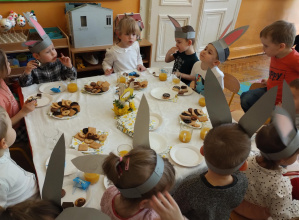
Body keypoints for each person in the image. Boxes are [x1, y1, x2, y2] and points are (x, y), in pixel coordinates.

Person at [173, 123, 251, 220]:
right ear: (244, 166)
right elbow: (235, 203)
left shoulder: (190, 186)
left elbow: (176, 209)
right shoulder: (243, 181)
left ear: (202, 151)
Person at [234, 121, 299, 219]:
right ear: (283, 160)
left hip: (237, 204)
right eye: (297, 154)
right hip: (258, 215)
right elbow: (280, 216)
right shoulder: (281, 187)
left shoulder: (244, 160)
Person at [100, 148, 175, 220]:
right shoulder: (151, 217)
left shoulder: (109, 192)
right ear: (143, 203)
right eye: (163, 196)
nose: (163, 199)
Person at [241, 20, 299, 112]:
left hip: (283, 101)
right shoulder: (275, 54)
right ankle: (256, 121)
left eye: (266, 46)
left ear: (281, 47)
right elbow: (279, 74)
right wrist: (269, 80)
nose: (263, 49)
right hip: (270, 92)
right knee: (246, 98)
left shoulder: (295, 59)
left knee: (275, 117)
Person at [19, 12, 76, 87]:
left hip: (60, 94)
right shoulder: (33, 67)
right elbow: (24, 85)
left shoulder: (60, 63)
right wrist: (27, 71)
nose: (53, 53)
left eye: (53, 48)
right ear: (36, 56)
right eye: (48, 52)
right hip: (43, 97)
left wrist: (69, 66)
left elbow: (72, 78)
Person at [190, 23, 248, 95]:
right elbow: (194, 79)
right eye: (205, 49)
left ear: (216, 62)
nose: (204, 52)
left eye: (209, 52)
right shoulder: (196, 64)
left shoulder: (218, 75)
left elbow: (218, 93)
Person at [0, 106, 39, 208]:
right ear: (3, 143)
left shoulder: (2, 151)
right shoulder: (1, 180)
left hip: (31, 188)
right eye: (10, 127)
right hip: (32, 207)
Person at [0, 49, 36, 141]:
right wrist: (23, 112)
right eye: (6, 62)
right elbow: (4, 127)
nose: (9, 64)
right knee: (38, 132)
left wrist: (22, 107)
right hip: (12, 131)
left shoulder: (1, 81)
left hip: (20, 117)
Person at [165, 16, 198, 85]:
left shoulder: (195, 60)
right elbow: (167, 60)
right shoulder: (180, 52)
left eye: (179, 42)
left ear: (189, 43)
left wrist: (181, 75)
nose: (176, 44)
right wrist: (169, 53)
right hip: (173, 83)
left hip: (183, 88)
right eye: (176, 42)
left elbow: (195, 78)